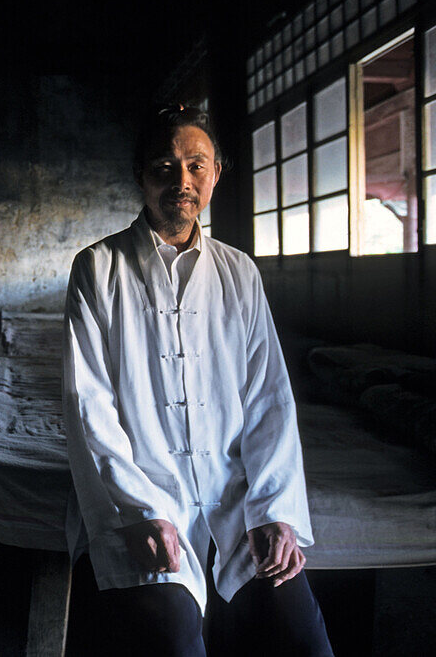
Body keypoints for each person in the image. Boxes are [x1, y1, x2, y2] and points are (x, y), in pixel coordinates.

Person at [62, 104, 333, 656]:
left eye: (195, 166)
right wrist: (140, 512)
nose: (181, 181)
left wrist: (274, 509)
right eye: (164, 166)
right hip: (144, 496)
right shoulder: (98, 267)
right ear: (141, 176)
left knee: (305, 639)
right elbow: (87, 404)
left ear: (215, 174)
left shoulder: (239, 271)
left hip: (237, 500)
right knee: (175, 638)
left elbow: (269, 399)